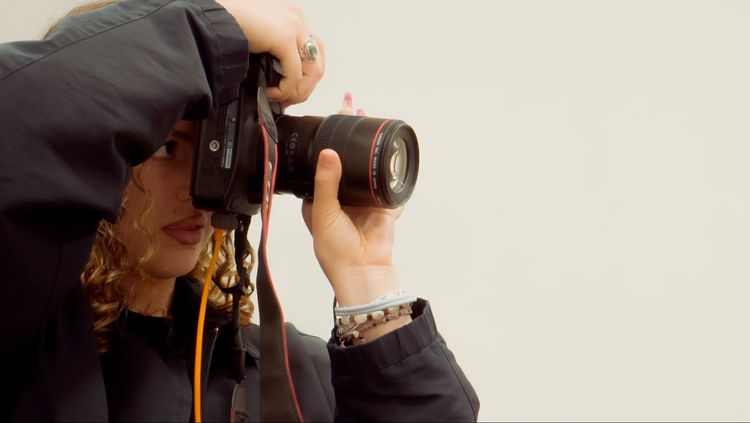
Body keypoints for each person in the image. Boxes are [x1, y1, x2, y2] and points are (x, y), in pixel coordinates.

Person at [0, 0, 480, 421]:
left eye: (218, 151)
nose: (198, 190)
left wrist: (368, 279)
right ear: (92, 152)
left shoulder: (292, 373)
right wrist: (209, 25)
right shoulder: (26, 343)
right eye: (168, 148)